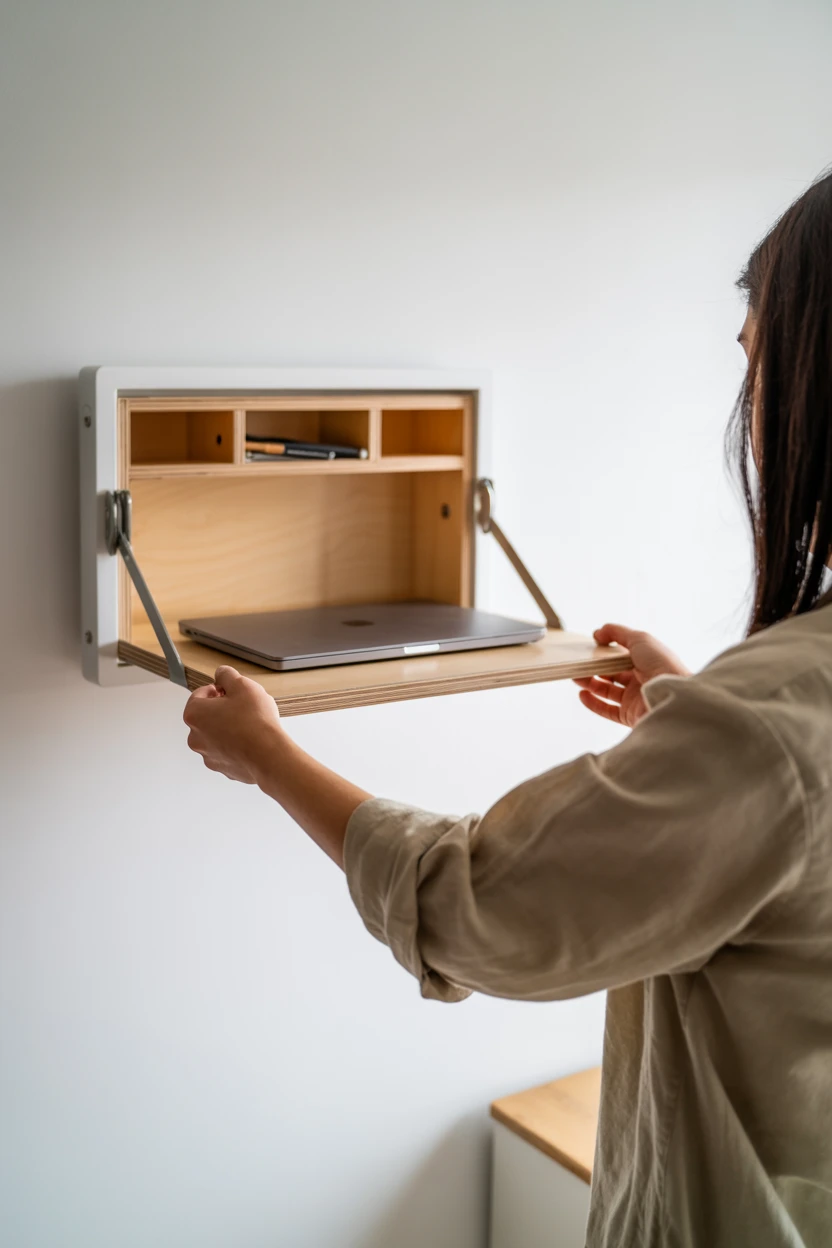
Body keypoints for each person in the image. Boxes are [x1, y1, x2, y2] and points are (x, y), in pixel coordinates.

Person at [182, 171, 832, 1248]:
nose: (747, 407)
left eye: (758, 361)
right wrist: (690, 714)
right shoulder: (772, 715)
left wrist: (271, 759)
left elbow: (482, 909)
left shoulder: (772, 720)